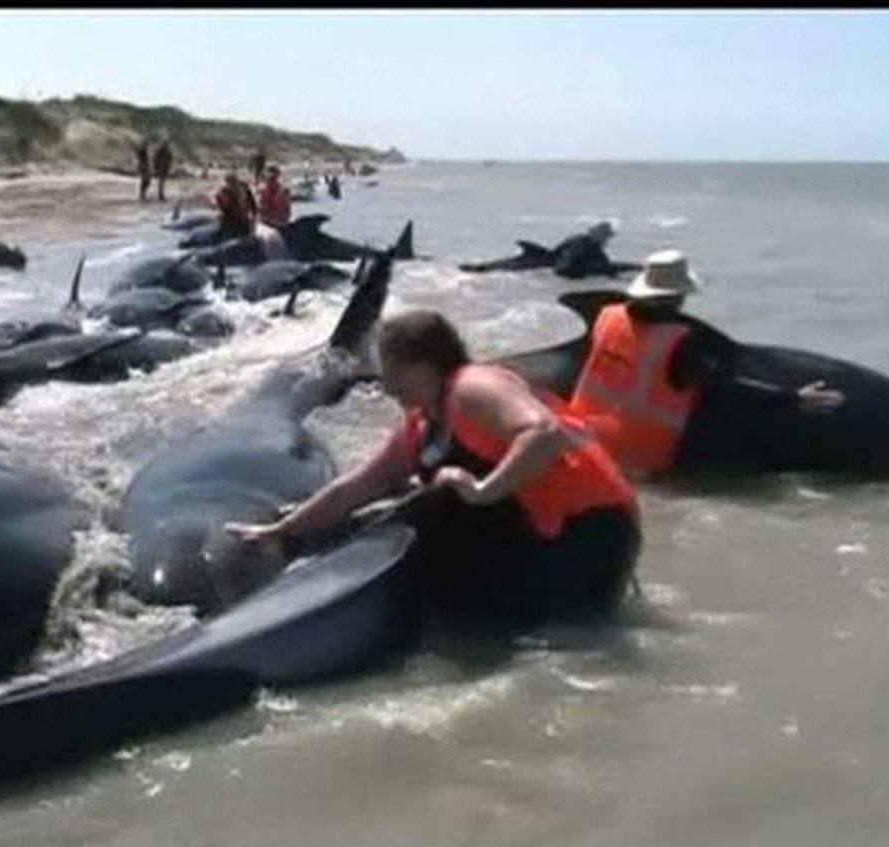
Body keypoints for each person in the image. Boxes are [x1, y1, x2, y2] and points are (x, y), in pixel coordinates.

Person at [227, 310, 641, 624]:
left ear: (423, 366)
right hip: (538, 537)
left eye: (390, 373)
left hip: (592, 535)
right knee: (417, 506)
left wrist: (483, 490)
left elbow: (544, 433)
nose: (384, 386)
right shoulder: (420, 426)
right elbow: (356, 487)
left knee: (445, 499)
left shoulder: (473, 387)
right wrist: (280, 531)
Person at [567, 249, 846, 480]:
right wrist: (791, 399)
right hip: (640, 461)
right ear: (679, 296)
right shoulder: (678, 343)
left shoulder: (607, 317)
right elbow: (725, 388)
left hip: (583, 442)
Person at [211, 170, 258, 240]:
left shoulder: (242, 189)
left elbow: (252, 206)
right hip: (233, 222)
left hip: (238, 223)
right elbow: (221, 206)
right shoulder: (225, 191)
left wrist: (253, 221)